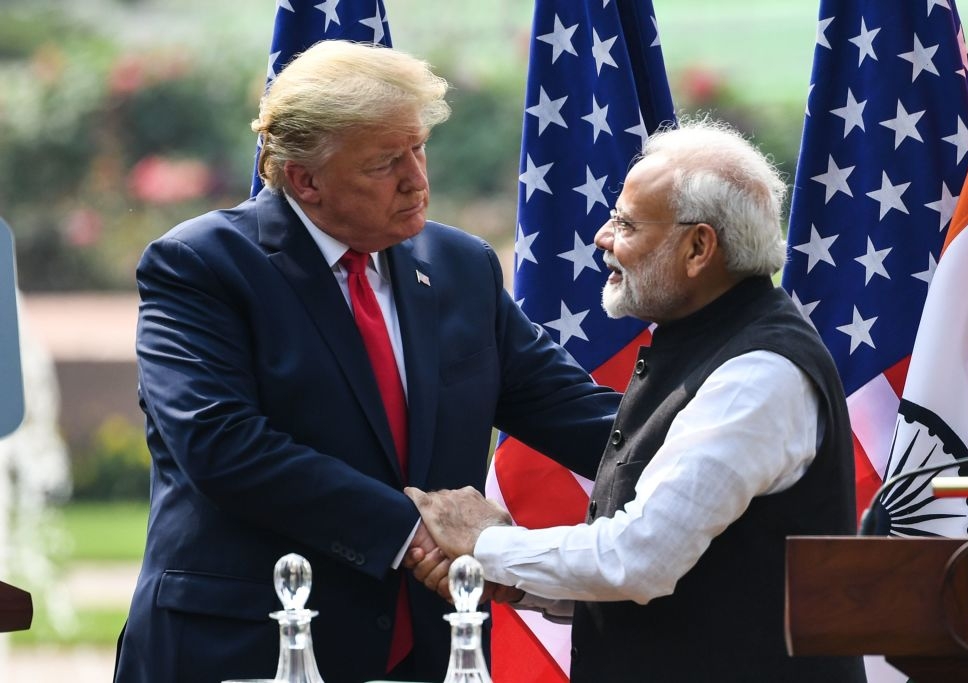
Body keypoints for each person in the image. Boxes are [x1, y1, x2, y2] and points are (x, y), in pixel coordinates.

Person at [113, 40, 619, 683]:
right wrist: (415, 533)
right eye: (385, 163)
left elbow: (571, 411)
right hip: (249, 648)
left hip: (432, 653)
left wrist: (715, 452)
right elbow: (222, 444)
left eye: (419, 148)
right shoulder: (202, 266)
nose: (417, 178)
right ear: (305, 179)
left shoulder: (461, 267)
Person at [406, 119, 868, 682]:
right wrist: (516, 576)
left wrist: (486, 541)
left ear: (699, 247)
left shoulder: (755, 375)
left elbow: (639, 560)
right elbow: (692, 580)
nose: (602, 238)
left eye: (625, 223)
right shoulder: (705, 345)